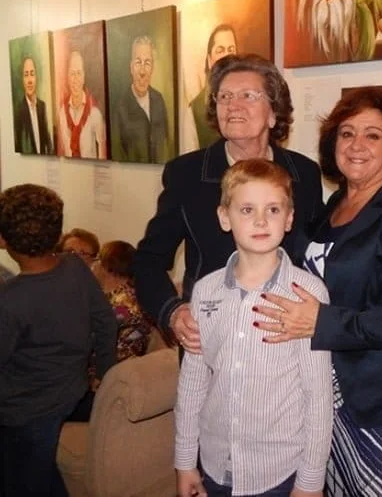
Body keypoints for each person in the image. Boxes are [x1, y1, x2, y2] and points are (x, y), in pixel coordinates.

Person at [253, 87, 382, 497]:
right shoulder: (335, 205)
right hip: (338, 393)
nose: (357, 145)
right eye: (347, 133)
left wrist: (320, 322)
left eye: (372, 135)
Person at [134, 53, 323, 353]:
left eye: (248, 95)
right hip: (210, 339)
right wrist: (173, 311)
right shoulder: (186, 174)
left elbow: (315, 258)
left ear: (273, 113)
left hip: (283, 337)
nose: (233, 105)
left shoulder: (304, 174)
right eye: (224, 96)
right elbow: (148, 260)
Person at [175, 159, 332, 497]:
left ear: (289, 218)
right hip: (214, 464)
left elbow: (318, 396)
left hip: (278, 473)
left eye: (273, 209)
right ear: (224, 217)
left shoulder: (307, 294)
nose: (261, 220)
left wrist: (310, 481)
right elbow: (193, 382)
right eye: (247, 210)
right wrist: (185, 461)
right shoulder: (205, 291)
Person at [0, 184, 116, 497]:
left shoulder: (10, 300)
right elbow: (106, 321)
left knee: (25, 483)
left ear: (4, 240)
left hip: (23, 413)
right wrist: (105, 373)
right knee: (39, 475)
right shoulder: (75, 267)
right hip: (72, 393)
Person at [69, 240, 156, 422]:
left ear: (108, 267)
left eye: (98, 260)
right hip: (120, 379)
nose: (93, 266)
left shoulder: (116, 307)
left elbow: (83, 348)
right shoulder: (136, 296)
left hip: (103, 386)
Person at [112, 35, 171, 163]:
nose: (142, 72)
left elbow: (167, 146)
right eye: (138, 63)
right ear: (131, 67)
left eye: (147, 63)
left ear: (152, 68)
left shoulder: (159, 101)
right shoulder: (120, 108)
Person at [182, 24, 238, 153]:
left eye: (231, 49)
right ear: (209, 60)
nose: (227, 56)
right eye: (220, 50)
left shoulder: (250, 100)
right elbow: (190, 159)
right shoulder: (194, 111)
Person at [57, 50, 106, 158]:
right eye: (72, 74)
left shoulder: (95, 113)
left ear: (84, 77)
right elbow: (61, 154)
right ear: (67, 77)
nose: (75, 79)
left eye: (79, 73)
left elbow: (103, 155)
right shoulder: (62, 113)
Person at [13, 56, 53, 155]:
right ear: (22, 79)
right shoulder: (18, 111)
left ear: (36, 77)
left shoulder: (42, 107)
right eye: (26, 75)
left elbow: (48, 142)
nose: (29, 80)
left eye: (32, 74)